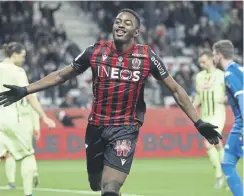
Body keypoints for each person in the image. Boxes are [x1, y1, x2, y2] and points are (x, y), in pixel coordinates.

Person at [0, 9, 222, 196]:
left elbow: (175, 89)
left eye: (127, 23)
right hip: (96, 127)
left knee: (110, 189)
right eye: (118, 21)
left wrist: (198, 122)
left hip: (126, 129)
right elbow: (61, 75)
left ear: (136, 32)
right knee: (95, 183)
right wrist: (24, 90)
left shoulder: (147, 56)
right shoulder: (95, 51)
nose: (120, 25)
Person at [0, 42, 56, 196]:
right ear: (15, 54)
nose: (24, 59)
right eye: (23, 56)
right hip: (12, 118)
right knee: (27, 155)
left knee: (7, 154)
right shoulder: (17, 71)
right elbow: (30, 95)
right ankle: (28, 193)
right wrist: (44, 117)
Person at [212, 40, 243, 196]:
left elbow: (242, 98)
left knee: (228, 164)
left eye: (213, 55)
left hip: (241, 124)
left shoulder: (231, 74)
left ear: (218, 55)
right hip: (240, 124)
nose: (213, 59)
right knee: (227, 163)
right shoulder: (239, 70)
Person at [193, 49, 226, 189]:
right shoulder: (199, 77)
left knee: (209, 144)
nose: (201, 64)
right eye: (200, 62)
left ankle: (219, 176)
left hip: (218, 114)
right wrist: (192, 107)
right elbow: (199, 96)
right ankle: (229, 174)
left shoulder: (222, 75)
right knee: (217, 146)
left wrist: (224, 98)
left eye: (204, 61)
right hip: (205, 115)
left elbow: (230, 93)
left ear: (212, 60)